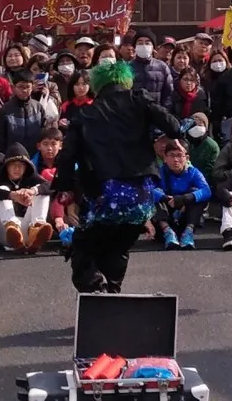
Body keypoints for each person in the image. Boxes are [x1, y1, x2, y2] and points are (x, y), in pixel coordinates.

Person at [54, 61, 183, 292]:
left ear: (97, 85)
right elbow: (174, 126)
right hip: (142, 196)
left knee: (84, 246)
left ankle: (96, 287)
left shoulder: (85, 114)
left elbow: (66, 156)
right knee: (118, 247)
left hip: (105, 194)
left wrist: (65, 186)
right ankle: (112, 294)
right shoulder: (139, 100)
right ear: (126, 80)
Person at [0, 142, 53, 253]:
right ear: (6, 166)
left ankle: (37, 228)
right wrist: (12, 195)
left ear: (26, 167)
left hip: (25, 230)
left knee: (40, 190)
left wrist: (32, 191)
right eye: (13, 165)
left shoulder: (31, 178)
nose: (17, 168)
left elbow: (50, 186)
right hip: (3, 231)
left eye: (21, 165)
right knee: (2, 189)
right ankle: (12, 226)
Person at [151, 139, 211, 250]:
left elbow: (207, 191)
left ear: (187, 158)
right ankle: (168, 232)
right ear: (165, 158)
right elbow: (147, 189)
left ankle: (188, 232)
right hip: (164, 216)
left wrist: (186, 198)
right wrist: (164, 198)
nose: (175, 160)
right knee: (155, 192)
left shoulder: (193, 172)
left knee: (196, 192)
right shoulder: (159, 172)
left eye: (179, 155)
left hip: (185, 214)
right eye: (171, 155)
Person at [0, 70, 48, 153]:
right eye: (21, 87)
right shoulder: (5, 110)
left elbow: (44, 130)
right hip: (13, 156)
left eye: (28, 87)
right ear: (13, 87)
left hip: (35, 154)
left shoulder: (38, 107)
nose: (24, 90)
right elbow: (0, 137)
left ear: (32, 87)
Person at [185, 113, 220, 181]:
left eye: (200, 125)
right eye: (195, 124)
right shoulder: (186, 142)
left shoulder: (212, 146)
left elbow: (211, 169)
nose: (197, 128)